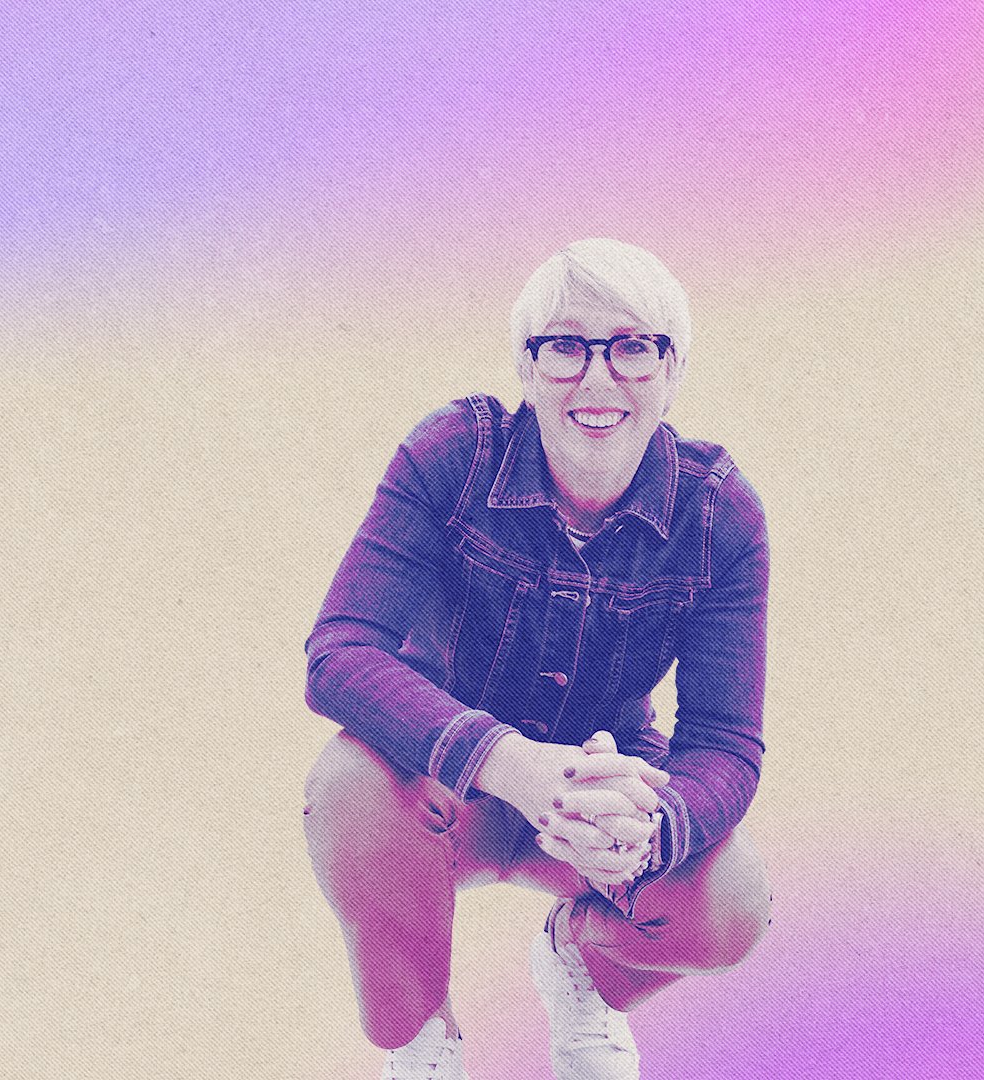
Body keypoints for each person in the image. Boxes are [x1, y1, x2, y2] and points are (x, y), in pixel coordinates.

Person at [302, 238, 771, 1079]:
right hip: (439, 793)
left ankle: (577, 968)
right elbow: (341, 651)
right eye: (565, 347)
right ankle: (424, 1046)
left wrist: (649, 832)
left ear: (672, 370)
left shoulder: (720, 514)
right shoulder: (454, 454)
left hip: (599, 815)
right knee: (348, 785)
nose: (597, 378)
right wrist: (509, 763)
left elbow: (726, 742)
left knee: (733, 905)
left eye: (632, 346)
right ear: (526, 365)